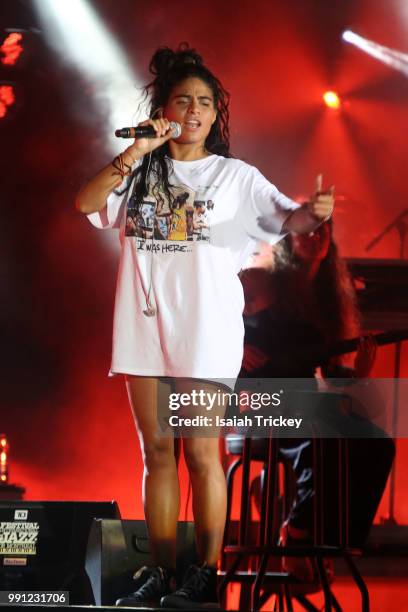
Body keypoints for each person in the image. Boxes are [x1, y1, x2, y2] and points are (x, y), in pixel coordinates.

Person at [75, 43, 334, 609]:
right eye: (181, 100)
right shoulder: (141, 166)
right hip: (142, 333)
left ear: (216, 113)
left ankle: (206, 574)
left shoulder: (235, 177)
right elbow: (86, 202)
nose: (192, 110)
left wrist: (312, 213)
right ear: (163, 108)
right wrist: (136, 151)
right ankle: (164, 574)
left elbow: (286, 216)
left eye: (203, 102)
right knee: (157, 457)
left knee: (201, 455)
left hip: (205, 335)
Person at [238, 222, 395, 581]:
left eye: (323, 231)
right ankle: (296, 531)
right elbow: (213, 315)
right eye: (306, 230)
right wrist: (235, 346)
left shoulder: (326, 300)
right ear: (288, 238)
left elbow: (331, 375)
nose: (314, 237)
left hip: (301, 402)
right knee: (321, 430)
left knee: (377, 444)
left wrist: (358, 375)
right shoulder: (262, 280)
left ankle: (328, 541)